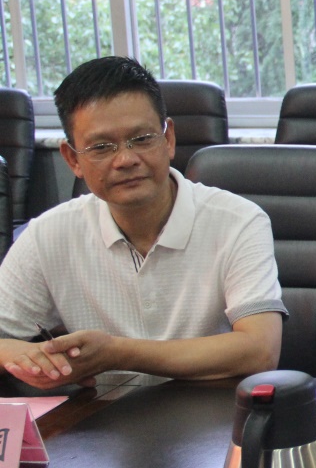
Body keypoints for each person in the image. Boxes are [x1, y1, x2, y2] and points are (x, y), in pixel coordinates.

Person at [0, 57, 286, 390]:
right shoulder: (48, 235)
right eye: (102, 147)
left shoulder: (238, 221)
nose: (126, 159)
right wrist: (29, 357)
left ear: (169, 139)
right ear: (73, 159)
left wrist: (116, 353)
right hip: (102, 418)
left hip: (214, 414)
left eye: (141, 139)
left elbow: (260, 350)